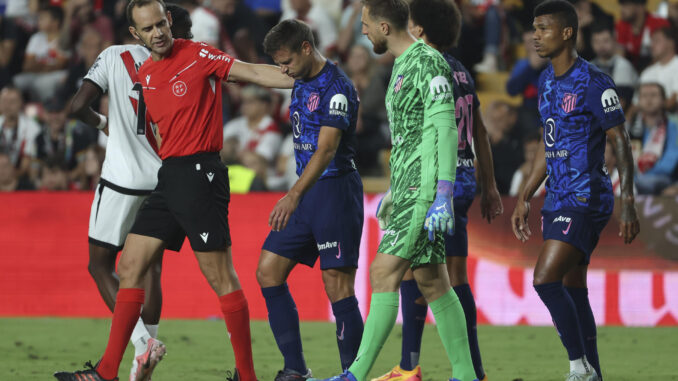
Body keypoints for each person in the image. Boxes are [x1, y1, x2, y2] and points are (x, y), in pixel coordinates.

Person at [53, 1, 294, 381]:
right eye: (147, 29)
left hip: (201, 174)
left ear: (170, 22)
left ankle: (247, 377)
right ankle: (106, 372)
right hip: (171, 175)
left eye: (161, 24)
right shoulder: (146, 75)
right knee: (130, 265)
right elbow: (163, 134)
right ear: (136, 35)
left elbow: (252, 72)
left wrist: (307, 76)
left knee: (221, 277)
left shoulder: (198, 53)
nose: (158, 33)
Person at [317, 1, 478, 381]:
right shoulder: (403, 66)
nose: (363, 31)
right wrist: (394, 188)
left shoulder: (429, 62)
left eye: (366, 24)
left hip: (424, 190)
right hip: (409, 187)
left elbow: (446, 130)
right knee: (433, 280)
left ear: (385, 27)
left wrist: (442, 194)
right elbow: (412, 137)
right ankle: (466, 374)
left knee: (382, 272)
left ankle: (354, 374)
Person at [56, 4, 194, 381]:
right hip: (165, 180)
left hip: (121, 179)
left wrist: (104, 124)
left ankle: (139, 344)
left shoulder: (113, 56)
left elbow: (77, 106)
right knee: (151, 268)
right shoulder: (185, 65)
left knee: (100, 265)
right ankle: (142, 363)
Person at [370, 1, 503, 381]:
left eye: (410, 24)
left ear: (421, 30)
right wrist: (488, 184)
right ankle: (421, 367)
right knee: (428, 273)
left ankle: (450, 370)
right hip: (463, 175)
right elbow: (478, 129)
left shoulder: (428, 65)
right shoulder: (460, 70)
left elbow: (440, 130)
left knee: (441, 277)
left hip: (438, 179)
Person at [511, 1, 640, 380]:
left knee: (544, 280)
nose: (535, 36)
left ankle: (578, 367)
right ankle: (593, 372)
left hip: (586, 197)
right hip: (557, 197)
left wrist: (627, 201)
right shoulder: (548, 80)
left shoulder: (594, 82)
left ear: (567, 32)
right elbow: (546, 143)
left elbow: (621, 141)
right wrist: (524, 196)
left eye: (543, 28)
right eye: (534, 28)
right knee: (574, 289)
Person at [256, 19, 364, 381]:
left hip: (333, 191)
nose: (282, 69)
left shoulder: (337, 88)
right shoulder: (300, 78)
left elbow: (327, 149)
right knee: (269, 271)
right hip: (306, 192)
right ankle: (295, 369)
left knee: (336, 283)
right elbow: (261, 75)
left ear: (306, 47)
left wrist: (292, 195)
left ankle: (353, 374)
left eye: (285, 61)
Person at [630, 82, 678, 194]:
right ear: (638, 101)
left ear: (664, 100)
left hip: (667, 179)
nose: (649, 100)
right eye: (644, 96)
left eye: (654, 95)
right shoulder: (630, 127)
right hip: (635, 180)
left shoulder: (674, 125)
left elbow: (670, 162)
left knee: (647, 182)